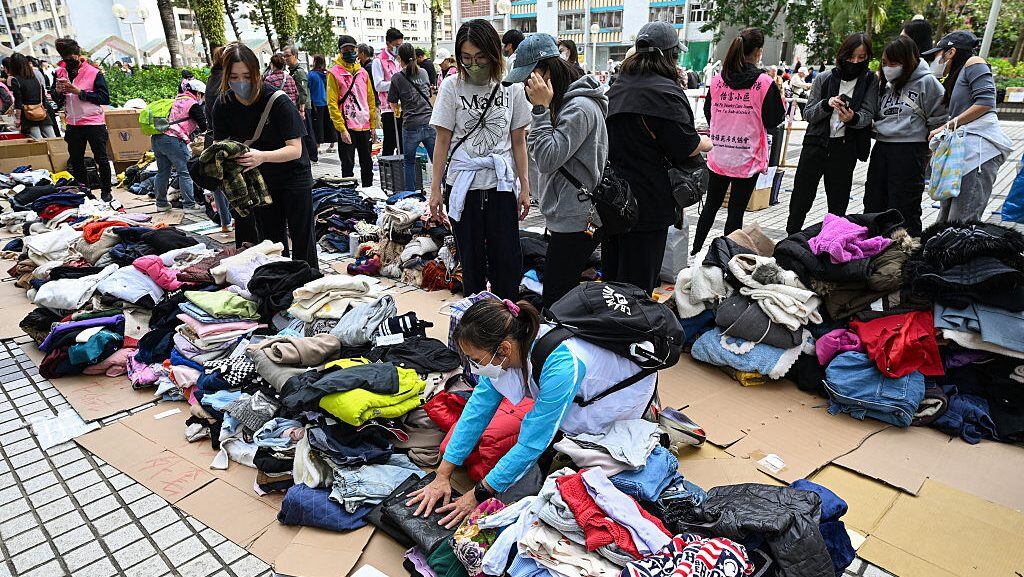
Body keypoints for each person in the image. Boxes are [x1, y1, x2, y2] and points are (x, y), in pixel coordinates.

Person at [404, 297, 659, 527]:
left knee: (566, 456)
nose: (473, 366)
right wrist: (442, 475)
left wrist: (477, 495)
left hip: (621, 394)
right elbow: (476, 411)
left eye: (476, 360)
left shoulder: (561, 366)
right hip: (573, 386)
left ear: (503, 349)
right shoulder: (511, 348)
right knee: (500, 449)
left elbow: (532, 443)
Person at [428, 19, 532, 300]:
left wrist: (525, 186)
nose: (473, 65)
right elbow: (442, 141)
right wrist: (435, 189)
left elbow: (518, 140)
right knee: (471, 264)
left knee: (507, 263)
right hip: (463, 185)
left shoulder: (512, 86)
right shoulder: (452, 86)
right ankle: (475, 326)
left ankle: (505, 322)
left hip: (501, 185)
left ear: (493, 54)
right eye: (466, 58)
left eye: (480, 57)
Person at [605, 21, 711, 291]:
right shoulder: (665, 92)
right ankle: (632, 330)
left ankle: (608, 325)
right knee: (639, 283)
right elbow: (685, 146)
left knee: (613, 277)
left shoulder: (617, 88)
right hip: (650, 201)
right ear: (670, 55)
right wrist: (706, 142)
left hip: (613, 198)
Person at [506, 33, 607, 309]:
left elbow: (548, 158)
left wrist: (539, 109)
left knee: (556, 297)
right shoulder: (565, 103)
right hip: (568, 213)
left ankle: (561, 347)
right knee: (560, 290)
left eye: (528, 79)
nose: (526, 88)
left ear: (545, 71)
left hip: (576, 217)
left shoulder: (579, 108)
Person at [212, 43, 316, 267]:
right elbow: (221, 145)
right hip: (259, 180)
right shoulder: (223, 104)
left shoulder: (277, 100)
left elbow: (295, 149)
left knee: (302, 240)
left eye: (247, 76)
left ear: (257, 73)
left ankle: (309, 283)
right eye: (234, 76)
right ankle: (279, 287)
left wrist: (262, 156)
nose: (241, 82)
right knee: (271, 242)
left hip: (293, 174)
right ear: (226, 76)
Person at [692, 27, 785, 255]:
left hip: (719, 154)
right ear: (758, 52)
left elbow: (709, 113)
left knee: (711, 206)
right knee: (736, 212)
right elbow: (774, 119)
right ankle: (726, 257)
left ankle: (694, 251)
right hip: (747, 156)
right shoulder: (764, 83)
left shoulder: (717, 81)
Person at [786, 33, 878, 234]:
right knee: (801, 196)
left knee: (838, 201)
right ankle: (790, 238)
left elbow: (869, 112)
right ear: (842, 55)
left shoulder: (870, 80)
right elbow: (809, 113)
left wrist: (852, 118)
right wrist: (827, 104)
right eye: (851, 56)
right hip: (815, 145)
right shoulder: (824, 78)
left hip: (845, 149)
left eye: (862, 58)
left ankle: (831, 243)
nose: (855, 62)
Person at [927, 31, 1013, 223]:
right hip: (962, 153)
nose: (936, 61)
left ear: (951, 52)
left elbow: (986, 102)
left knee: (962, 221)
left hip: (978, 154)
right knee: (945, 220)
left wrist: (946, 127)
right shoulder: (958, 75)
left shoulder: (975, 62)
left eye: (937, 55)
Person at [865, 35, 945, 236]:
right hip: (882, 148)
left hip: (909, 150)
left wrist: (928, 154)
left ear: (909, 61)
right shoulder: (885, 85)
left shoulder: (928, 83)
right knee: (874, 201)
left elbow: (939, 121)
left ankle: (908, 253)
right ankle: (875, 247)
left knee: (904, 207)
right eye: (884, 62)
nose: (888, 67)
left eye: (894, 63)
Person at [53, 38, 113, 202]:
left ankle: (106, 192)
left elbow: (104, 98)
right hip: (73, 123)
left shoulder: (94, 72)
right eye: (65, 60)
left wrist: (79, 92)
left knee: (101, 159)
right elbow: (57, 98)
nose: (68, 63)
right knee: (76, 160)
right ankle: (85, 193)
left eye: (71, 59)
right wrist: (58, 92)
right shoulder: (60, 73)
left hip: (94, 122)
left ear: (78, 55)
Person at [328, 35, 378, 187]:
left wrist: (373, 125)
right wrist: (341, 129)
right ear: (340, 51)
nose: (350, 52)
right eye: (346, 49)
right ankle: (349, 196)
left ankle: (369, 194)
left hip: (364, 126)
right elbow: (332, 103)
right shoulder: (334, 73)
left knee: (367, 164)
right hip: (347, 127)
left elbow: (370, 99)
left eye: (352, 49)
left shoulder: (363, 72)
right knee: (348, 165)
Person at [152, 79, 206, 212]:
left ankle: (161, 204)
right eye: (203, 95)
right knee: (185, 172)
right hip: (173, 139)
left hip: (158, 138)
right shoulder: (192, 104)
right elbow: (204, 125)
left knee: (163, 172)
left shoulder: (175, 100)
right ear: (198, 93)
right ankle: (189, 205)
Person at [390, 43, 436, 193]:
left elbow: (392, 102)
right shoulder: (423, 72)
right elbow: (428, 94)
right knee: (437, 160)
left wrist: (398, 111)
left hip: (411, 125)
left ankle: (410, 194)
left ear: (399, 59)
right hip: (429, 122)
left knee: (409, 162)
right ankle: (445, 191)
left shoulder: (397, 78)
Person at [204, 44, 233, 235]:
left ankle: (225, 222)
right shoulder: (226, 80)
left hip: (211, 136)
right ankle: (239, 220)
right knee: (233, 180)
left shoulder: (210, 79)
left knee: (218, 184)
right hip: (227, 138)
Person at [8, 53, 56, 139]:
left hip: (28, 114)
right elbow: (43, 96)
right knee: (52, 139)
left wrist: (18, 119)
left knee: (38, 142)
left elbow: (19, 101)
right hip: (41, 111)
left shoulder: (15, 80)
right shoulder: (35, 77)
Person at [283, 44, 317, 162]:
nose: (286, 58)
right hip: (298, 106)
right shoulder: (291, 72)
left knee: (307, 132)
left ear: (295, 55)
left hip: (304, 107)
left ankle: (313, 157)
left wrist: (302, 108)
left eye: (288, 56)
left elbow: (303, 91)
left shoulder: (299, 72)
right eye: (284, 56)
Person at [375, 28, 405, 156]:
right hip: (388, 109)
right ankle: (388, 172)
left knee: (404, 143)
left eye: (401, 45)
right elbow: (378, 85)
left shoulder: (400, 59)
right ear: (388, 43)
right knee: (390, 143)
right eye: (396, 46)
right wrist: (397, 83)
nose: (399, 48)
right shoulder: (379, 61)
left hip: (403, 106)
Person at [308, 54, 337, 152]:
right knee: (329, 123)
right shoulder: (328, 73)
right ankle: (332, 145)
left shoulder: (311, 75)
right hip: (328, 102)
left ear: (315, 62)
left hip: (316, 103)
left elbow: (309, 89)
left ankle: (318, 146)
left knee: (318, 125)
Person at [356, 43, 379, 108]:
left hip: (373, 101)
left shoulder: (368, 67)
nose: (356, 55)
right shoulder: (370, 65)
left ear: (362, 54)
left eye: (357, 53)